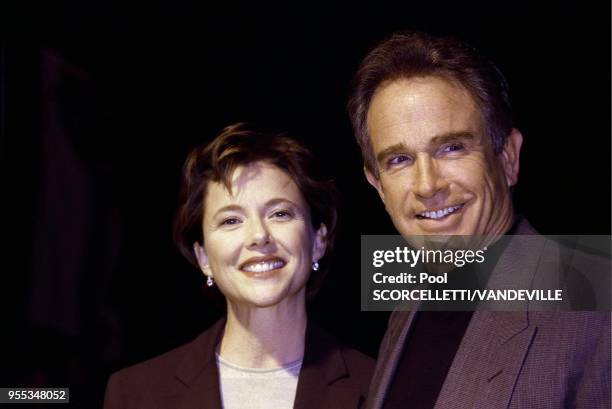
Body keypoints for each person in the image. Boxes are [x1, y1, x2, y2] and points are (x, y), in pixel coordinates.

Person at [347, 31, 610, 408]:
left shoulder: (596, 307)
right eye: (399, 160)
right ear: (377, 186)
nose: (427, 186)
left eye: (452, 147)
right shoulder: (406, 309)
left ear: (507, 158)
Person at [103, 124, 374, 408]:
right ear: (203, 257)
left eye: (280, 214)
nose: (259, 236)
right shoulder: (135, 394)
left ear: (318, 241)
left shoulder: (377, 387)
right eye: (231, 220)